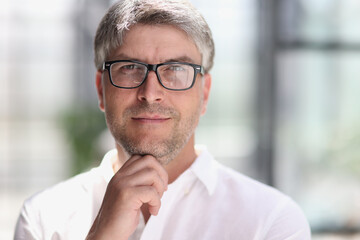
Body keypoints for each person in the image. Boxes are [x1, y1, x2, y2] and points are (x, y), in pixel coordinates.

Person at [14, 0, 311, 239]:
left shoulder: (271, 221)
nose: (151, 92)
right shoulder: (42, 218)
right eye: (130, 68)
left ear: (204, 93)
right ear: (100, 90)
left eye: (175, 69)